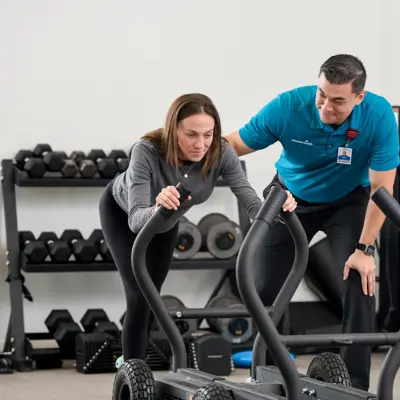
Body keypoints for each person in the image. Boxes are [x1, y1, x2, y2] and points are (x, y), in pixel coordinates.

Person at [224, 54, 400, 391]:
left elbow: (381, 189)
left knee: (358, 281)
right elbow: (232, 144)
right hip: (290, 198)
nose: (325, 106)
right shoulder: (289, 106)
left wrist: (363, 249)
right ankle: (270, 378)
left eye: (337, 100)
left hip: (348, 201)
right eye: (321, 94)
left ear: (359, 97)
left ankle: (354, 387)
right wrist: (190, 154)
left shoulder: (378, 117)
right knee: (262, 287)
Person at [98, 93, 297, 368]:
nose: (201, 144)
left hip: (166, 221)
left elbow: (252, 206)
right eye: (191, 134)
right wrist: (158, 206)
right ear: (173, 130)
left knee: (153, 294)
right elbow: (135, 218)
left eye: (208, 134)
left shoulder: (220, 152)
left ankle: (135, 362)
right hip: (123, 215)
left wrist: (279, 205)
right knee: (139, 294)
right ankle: (132, 369)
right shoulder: (147, 150)